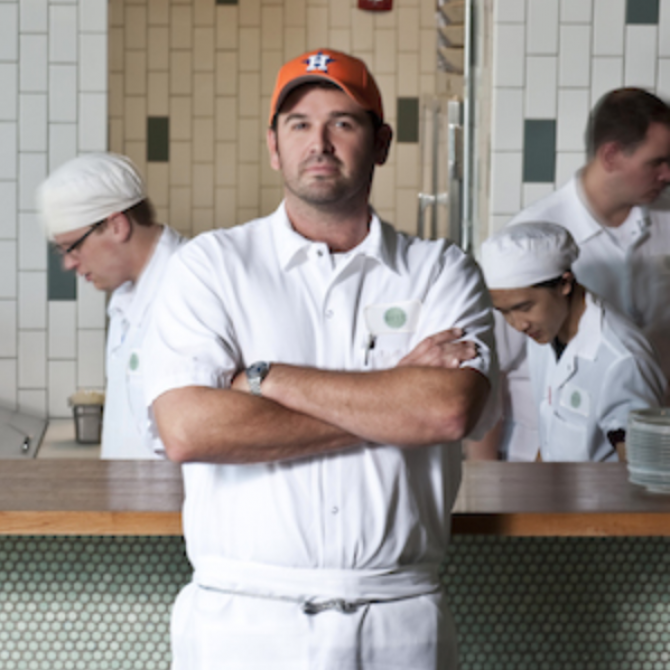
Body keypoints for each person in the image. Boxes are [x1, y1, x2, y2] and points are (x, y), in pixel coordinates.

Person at [143, 48, 497, 669]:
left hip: (396, 620)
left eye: (343, 123)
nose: (320, 143)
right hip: (243, 621)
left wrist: (264, 378)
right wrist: (392, 396)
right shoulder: (211, 266)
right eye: (299, 124)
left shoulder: (441, 271)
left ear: (380, 143)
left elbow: (445, 412)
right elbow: (189, 429)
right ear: (274, 146)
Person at [487, 88, 670, 461]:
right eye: (657, 162)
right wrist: (485, 476)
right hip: (537, 460)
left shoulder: (666, 222)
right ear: (611, 155)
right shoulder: (528, 244)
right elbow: (492, 371)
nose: (667, 174)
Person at [37, 153, 185, 459]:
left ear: (116, 225)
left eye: (72, 247)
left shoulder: (192, 288)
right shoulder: (125, 295)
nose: (68, 264)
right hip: (127, 488)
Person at [481, 222, 666, 462]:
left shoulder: (622, 360)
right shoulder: (544, 332)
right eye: (504, 312)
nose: (517, 324)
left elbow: (639, 469)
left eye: (524, 307)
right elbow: (551, 439)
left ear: (565, 284)